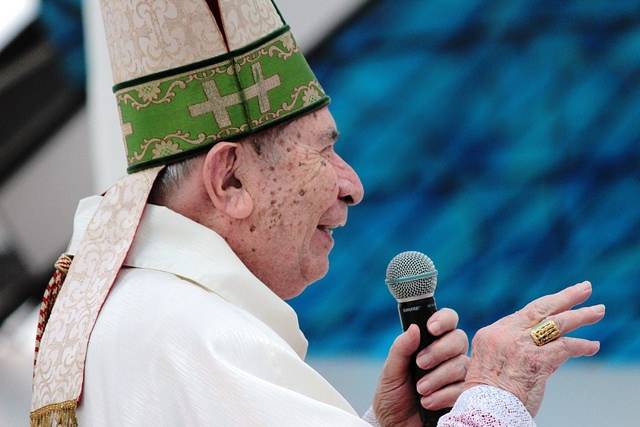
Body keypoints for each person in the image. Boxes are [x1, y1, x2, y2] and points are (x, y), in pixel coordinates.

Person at [30, 1, 604, 426]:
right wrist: (497, 397)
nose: (352, 185)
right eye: (324, 150)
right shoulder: (193, 336)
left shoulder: (137, 313)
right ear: (229, 179)